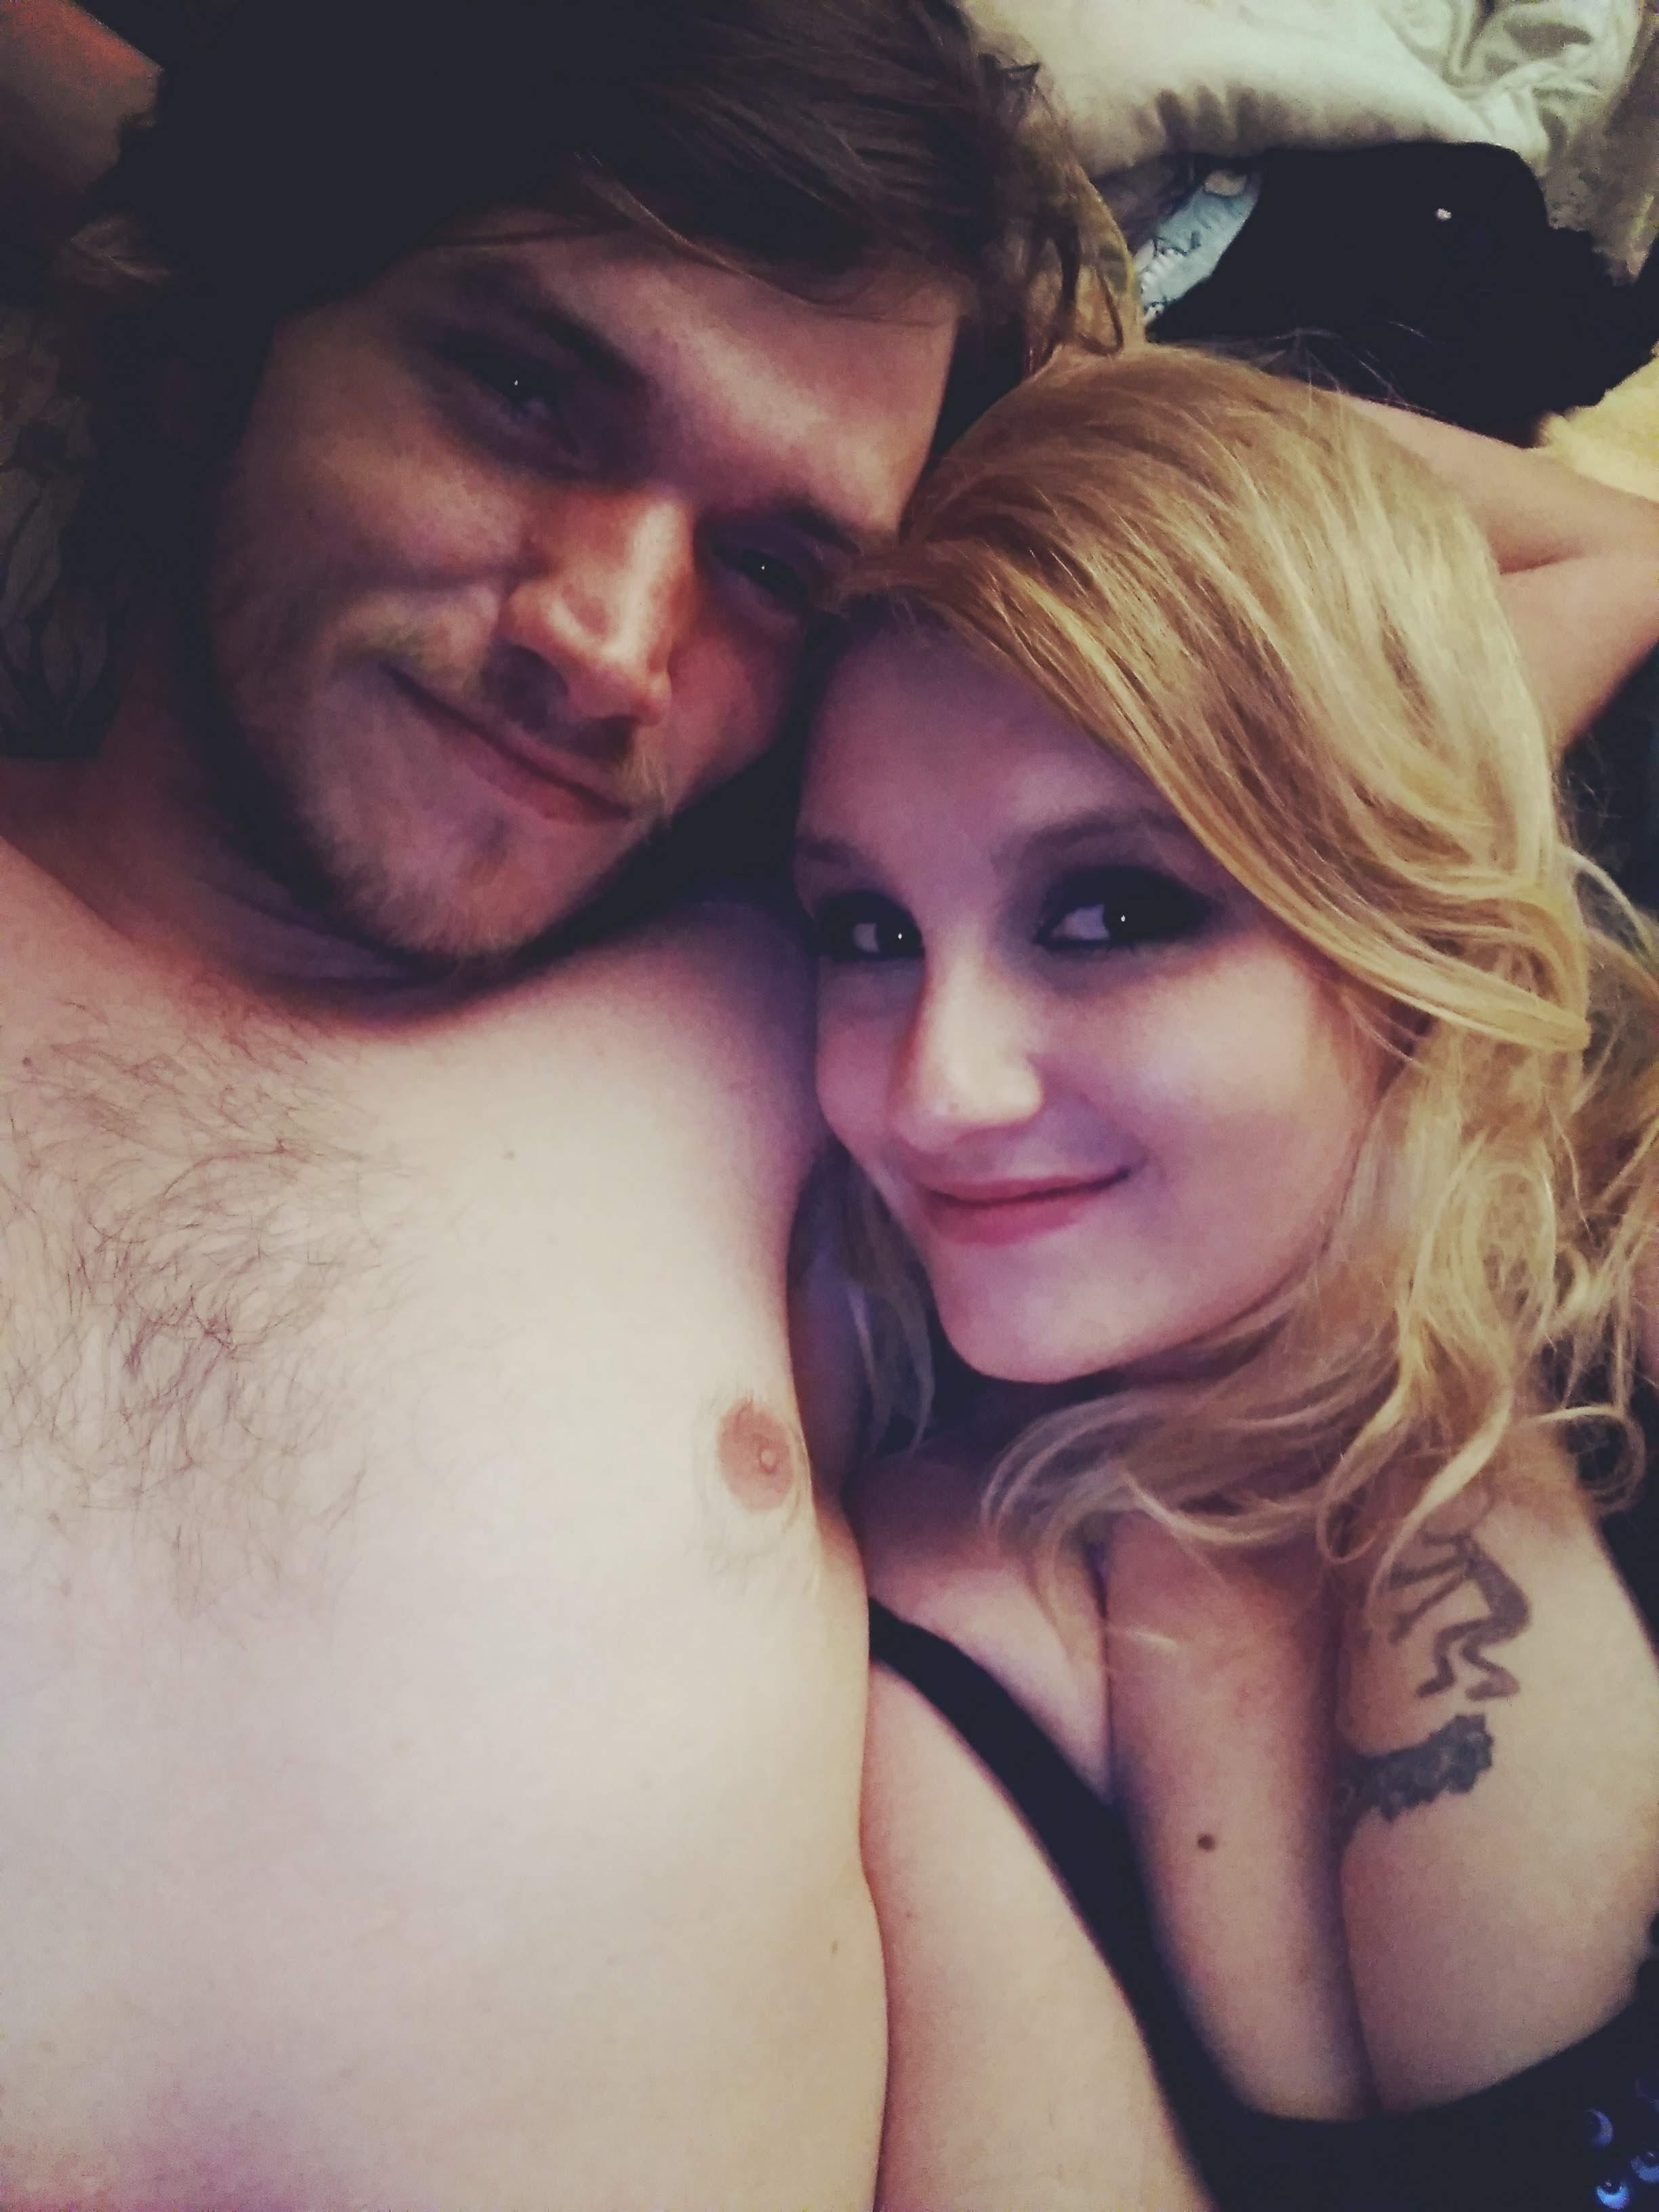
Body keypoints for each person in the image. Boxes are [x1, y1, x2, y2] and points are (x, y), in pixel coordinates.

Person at [0, 3, 1126, 2200]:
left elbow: (1369, 700)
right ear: (226, 331)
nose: (609, 642)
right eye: (524, 389)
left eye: (778, 567)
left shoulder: (847, 1033)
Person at [791, 343, 1659, 2210]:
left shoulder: (1629, 1256)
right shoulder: (947, 1610)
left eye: (1112, 910)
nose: (935, 1092)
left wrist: (1077, 385)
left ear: (1401, 917)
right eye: (864, 929)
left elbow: (1631, 563)